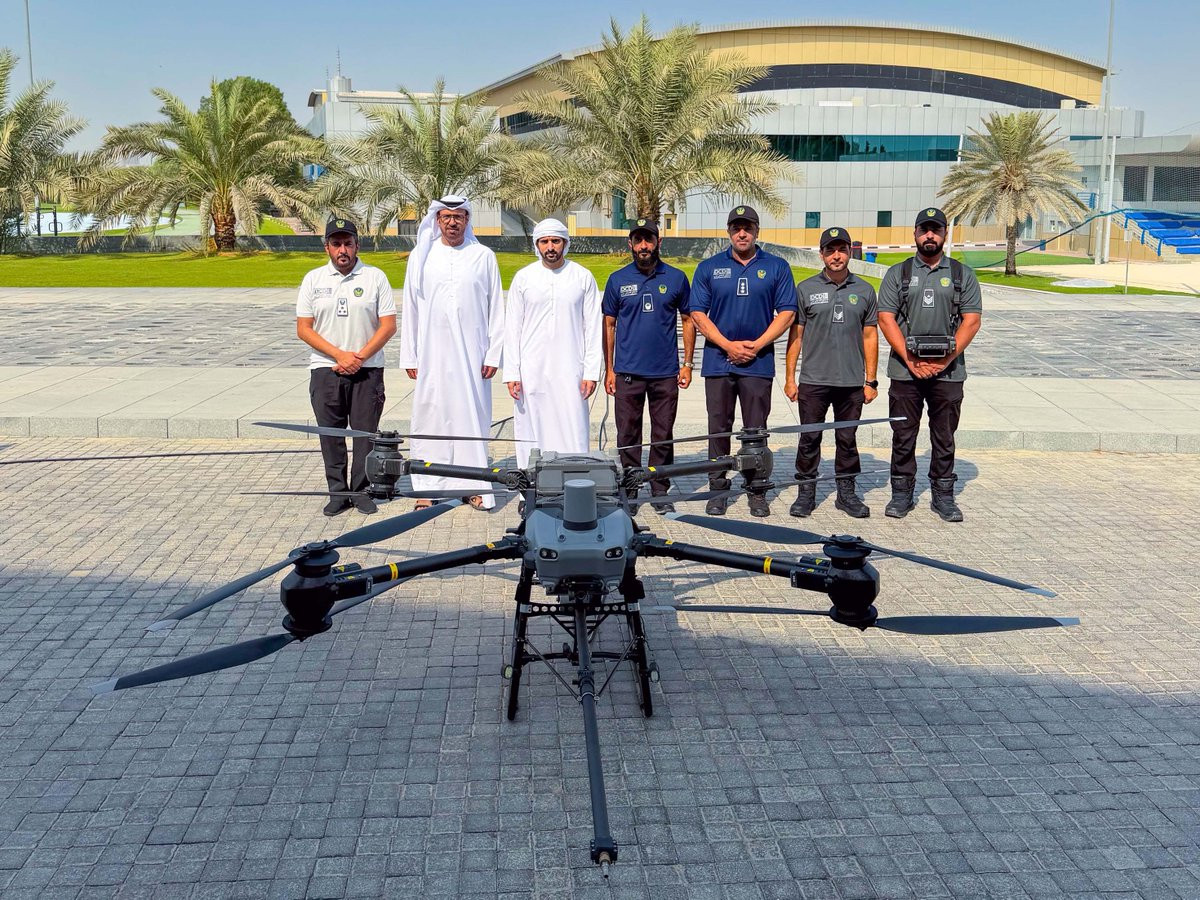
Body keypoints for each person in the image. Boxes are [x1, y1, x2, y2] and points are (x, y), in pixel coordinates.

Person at [688, 205, 798, 517]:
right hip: (718, 361)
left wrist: (757, 345)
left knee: (755, 429)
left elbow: (787, 312)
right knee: (718, 428)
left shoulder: (776, 267)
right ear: (728, 231)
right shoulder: (709, 267)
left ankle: (756, 489)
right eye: (736, 228)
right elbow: (697, 314)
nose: (742, 233)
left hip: (758, 363)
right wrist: (727, 345)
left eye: (747, 228)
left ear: (757, 231)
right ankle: (718, 489)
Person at [876, 207, 983, 522]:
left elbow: (972, 321)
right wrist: (911, 359)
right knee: (903, 435)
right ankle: (901, 494)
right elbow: (885, 318)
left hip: (948, 373)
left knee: (944, 436)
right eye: (924, 230)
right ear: (915, 233)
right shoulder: (898, 273)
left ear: (945, 234)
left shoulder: (962, 274)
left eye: (936, 230)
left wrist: (945, 360)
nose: (930, 236)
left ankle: (943, 495)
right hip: (904, 371)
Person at [399, 195, 504, 511]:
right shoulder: (422, 255)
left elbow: (496, 307)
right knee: (431, 419)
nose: (452, 222)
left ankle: (473, 487)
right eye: (446, 217)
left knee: (471, 420)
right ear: (437, 220)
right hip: (432, 356)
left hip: (473, 356)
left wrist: (493, 354)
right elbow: (411, 308)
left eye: (458, 217)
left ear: (467, 220)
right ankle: (428, 489)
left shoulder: (483, 256)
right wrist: (410, 355)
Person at [296, 217, 397, 516]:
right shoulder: (313, 279)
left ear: (357, 246)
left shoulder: (375, 277)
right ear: (326, 247)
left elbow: (388, 326)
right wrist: (339, 356)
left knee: (365, 435)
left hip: (367, 369)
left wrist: (359, 358)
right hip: (326, 369)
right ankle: (338, 493)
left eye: (348, 243)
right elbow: (304, 328)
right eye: (336, 244)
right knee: (331, 435)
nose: (343, 250)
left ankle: (361, 491)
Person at [602, 217, 696, 514]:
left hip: (665, 373)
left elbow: (688, 319)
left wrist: (687, 363)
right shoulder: (618, 279)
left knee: (663, 433)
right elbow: (609, 324)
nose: (644, 245)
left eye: (649, 239)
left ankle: (659, 489)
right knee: (627, 434)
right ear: (630, 243)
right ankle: (630, 488)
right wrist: (609, 369)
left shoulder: (676, 278)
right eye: (638, 240)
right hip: (627, 372)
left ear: (658, 242)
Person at [784, 226, 879, 518]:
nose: (836, 256)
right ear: (821, 254)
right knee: (809, 439)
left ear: (850, 252)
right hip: (814, 380)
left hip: (850, 382)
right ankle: (806, 493)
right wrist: (789, 378)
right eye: (830, 250)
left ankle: (846, 494)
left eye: (841, 250)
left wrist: (871, 380)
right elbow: (796, 336)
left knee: (847, 440)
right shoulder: (806, 289)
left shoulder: (864, 290)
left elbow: (870, 336)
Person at [504, 218, 602, 469]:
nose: (550, 247)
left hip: (571, 369)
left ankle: (574, 479)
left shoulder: (582, 277)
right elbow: (512, 328)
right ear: (537, 245)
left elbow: (593, 328)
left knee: (573, 425)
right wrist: (512, 373)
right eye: (545, 241)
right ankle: (531, 484)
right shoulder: (524, 278)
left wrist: (591, 372)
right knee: (531, 428)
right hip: (531, 370)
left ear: (565, 243)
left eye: (555, 241)